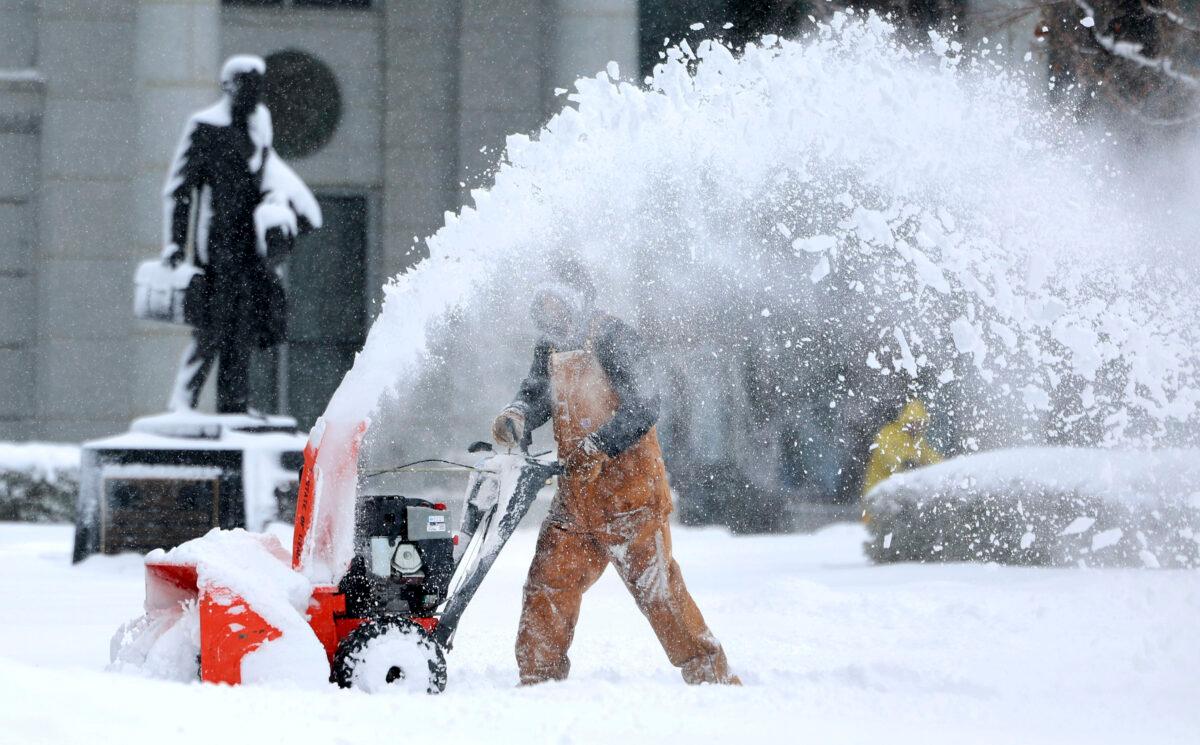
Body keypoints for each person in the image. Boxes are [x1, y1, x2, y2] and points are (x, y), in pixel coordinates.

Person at [492, 258, 740, 686]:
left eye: (558, 305)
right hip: (576, 496)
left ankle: (709, 673)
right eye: (544, 307)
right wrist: (517, 415)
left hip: (630, 496)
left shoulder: (613, 336)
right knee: (548, 582)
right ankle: (539, 680)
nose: (551, 315)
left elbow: (646, 402)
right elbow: (536, 393)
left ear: (578, 300)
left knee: (658, 591)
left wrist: (599, 446)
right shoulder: (548, 346)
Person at [162, 55, 321, 413]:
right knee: (212, 324)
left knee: (243, 324)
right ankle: (182, 402)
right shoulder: (205, 127)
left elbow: (268, 176)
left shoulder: (259, 127)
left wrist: (282, 206)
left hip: (250, 243)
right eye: (246, 86)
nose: (253, 94)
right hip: (216, 242)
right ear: (228, 87)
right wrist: (175, 242)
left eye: (257, 87)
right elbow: (181, 189)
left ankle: (234, 403)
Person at [860, 398, 944, 496]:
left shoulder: (917, 440)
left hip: (896, 493)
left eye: (921, 423)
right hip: (878, 488)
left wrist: (943, 467)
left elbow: (929, 456)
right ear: (906, 420)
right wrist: (905, 462)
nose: (917, 427)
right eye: (914, 422)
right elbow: (888, 456)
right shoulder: (889, 433)